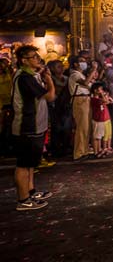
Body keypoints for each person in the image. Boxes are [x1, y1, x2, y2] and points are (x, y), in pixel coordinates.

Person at [12, 45, 55, 210]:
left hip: (36, 125)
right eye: (34, 57)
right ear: (24, 60)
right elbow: (50, 96)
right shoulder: (24, 78)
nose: (38, 59)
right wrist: (49, 78)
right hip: (27, 126)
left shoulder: (32, 76)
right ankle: (23, 200)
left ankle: (30, 191)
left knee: (31, 162)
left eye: (37, 56)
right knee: (23, 163)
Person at [68, 55, 98, 160]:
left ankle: (84, 151)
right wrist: (93, 69)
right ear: (76, 64)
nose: (84, 63)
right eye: (81, 61)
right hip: (79, 100)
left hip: (86, 100)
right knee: (81, 127)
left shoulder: (81, 74)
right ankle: (78, 153)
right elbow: (85, 83)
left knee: (87, 127)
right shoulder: (74, 74)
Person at [90, 82, 113, 158]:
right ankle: (96, 151)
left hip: (102, 119)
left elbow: (110, 101)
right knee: (96, 137)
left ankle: (99, 150)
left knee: (100, 136)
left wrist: (105, 96)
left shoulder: (99, 98)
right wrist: (103, 95)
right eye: (100, 89)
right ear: (95, 90)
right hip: (97, 119)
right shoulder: (94, 99)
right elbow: (105, 101)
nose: (101, 90)